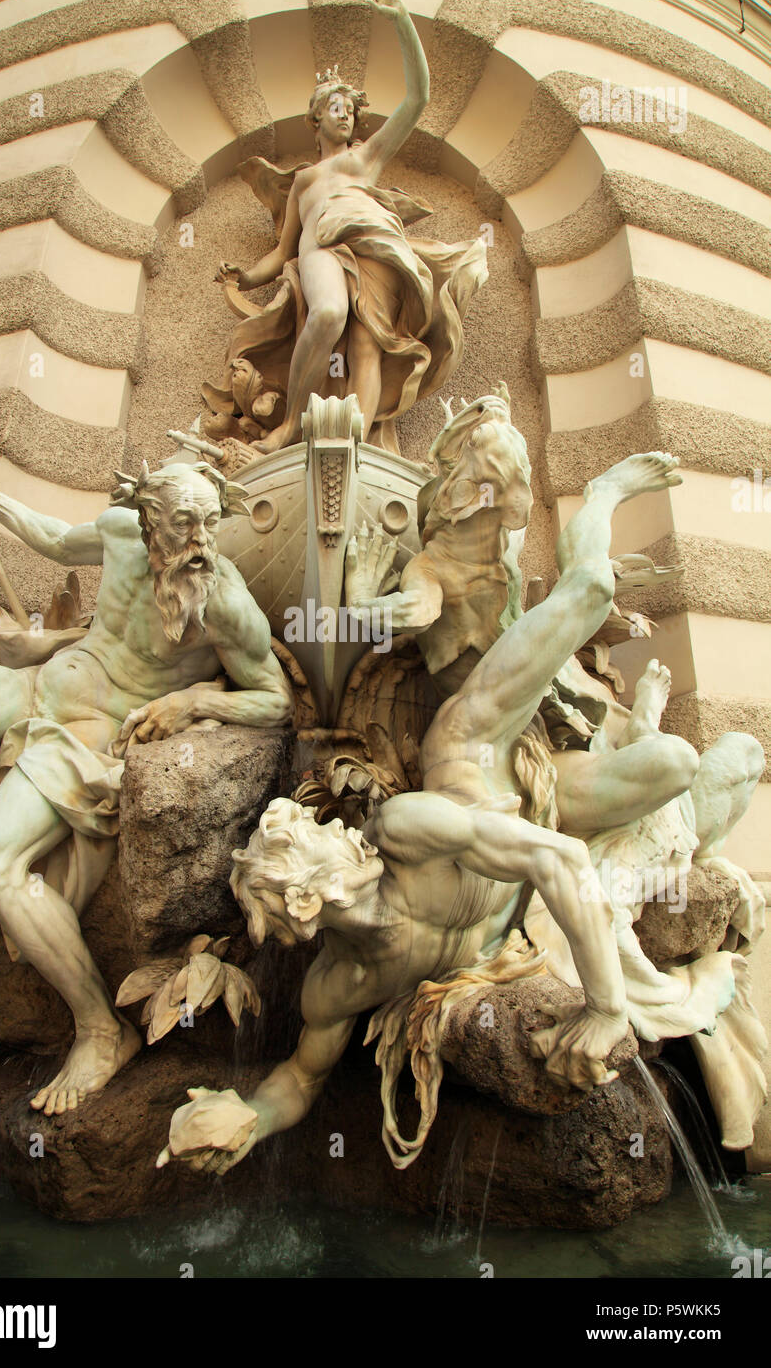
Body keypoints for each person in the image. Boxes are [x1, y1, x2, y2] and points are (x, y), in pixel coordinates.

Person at [157, 451, 685, 1174]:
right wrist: (250, 1116)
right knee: (679, 768)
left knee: (590, 587)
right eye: (312, 842)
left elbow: (556, 857)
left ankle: (601, 488)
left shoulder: (399, 834)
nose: (332, 829)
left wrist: (605, 1008)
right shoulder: (336, 986)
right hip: (532, 835)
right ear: (309, 901)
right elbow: (303, 1078)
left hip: (478, 746)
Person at [0, 460, 292, 1115]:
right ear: (148, 523)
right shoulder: (117, 535)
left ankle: (99, 1029)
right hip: (37, 687)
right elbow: (56, 539)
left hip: (89, 735)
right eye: (183, 524)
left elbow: (275, 699)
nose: (200, 541)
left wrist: (197, 701)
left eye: (209, 523)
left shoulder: (223, 603)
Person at [213, 0, 488, 452]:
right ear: (315, 119)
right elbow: (283, 252)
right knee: (328, 314)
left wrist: (403, 24)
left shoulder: (365, 159)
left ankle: (359, 445)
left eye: (350, 111)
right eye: (334, 108)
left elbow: (418, 98)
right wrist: (246, 276)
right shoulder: (304, 181)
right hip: (322, 246)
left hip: (377, 248)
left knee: (368, 344)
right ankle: (290, 427)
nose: (345, 116)